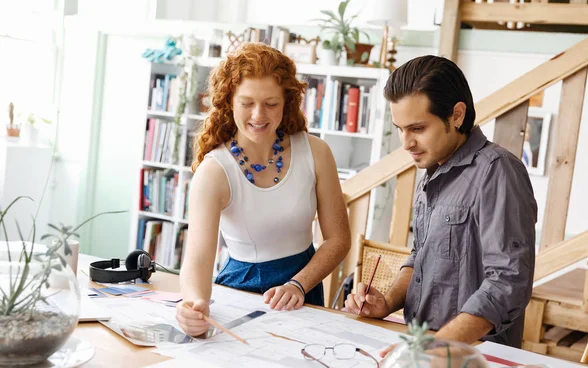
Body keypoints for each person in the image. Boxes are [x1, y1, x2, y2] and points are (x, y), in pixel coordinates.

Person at [344, 55, 538, 351]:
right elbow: (420, 256)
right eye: (400, 128)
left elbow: (507, 283)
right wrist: (387, 302)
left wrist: (435, 346)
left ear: (457, 115)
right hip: (421, 349)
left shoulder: (498, 171)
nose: (405, 142)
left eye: (417, 129)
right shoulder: (433, 169)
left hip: (473, 362)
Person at [176, 42, 351, 336]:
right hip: (240, 291)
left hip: (303, 289)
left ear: (287, 102)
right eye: (247, 103)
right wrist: (193, 304)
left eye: (271, 104)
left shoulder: (316, 152)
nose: (259, 115)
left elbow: (339, 239)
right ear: (229, 101)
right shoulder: (214, 171)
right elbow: (198, 257)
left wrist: (299, 283)